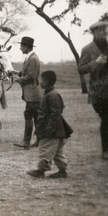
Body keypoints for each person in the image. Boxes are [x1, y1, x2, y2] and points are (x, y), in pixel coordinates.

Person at [27, 71, 73, 178]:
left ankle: (41, 170)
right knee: (57, 151)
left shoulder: (53, 95)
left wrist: (48, 130)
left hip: (52, 130)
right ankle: (62, 171)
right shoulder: (49, 93)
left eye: (42, 80)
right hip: (55, 129)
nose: (40, 82)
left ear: (47, 82)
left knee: (46, 148)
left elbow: (55, 114)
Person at [78, 20, 108, 159]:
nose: (104, 32)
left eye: (105, 29)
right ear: (94, 32)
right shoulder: (87, 49)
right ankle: (106, 150)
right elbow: (81, 69)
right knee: (106, 119)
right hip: (100, 92)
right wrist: (96, 63)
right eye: (101, 30)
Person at [13, 36, 43, 150]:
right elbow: (28, 72)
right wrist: (17, 72)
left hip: (33, 94)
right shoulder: (30, 58)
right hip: (32, 93)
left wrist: (18, 79)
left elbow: (31, 76)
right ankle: (38, 141)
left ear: (26, 46)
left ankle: (26, 142)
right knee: (35, 116)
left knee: (29, 115)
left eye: (21, 46)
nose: (20, 48)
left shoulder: (33, 59)